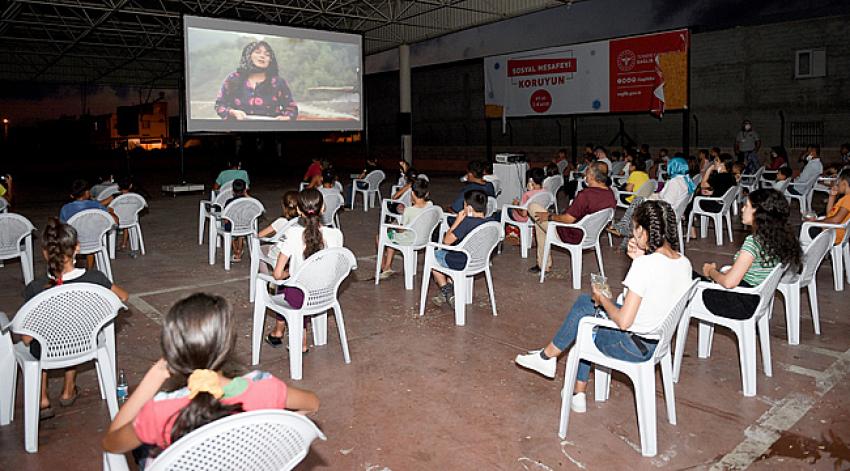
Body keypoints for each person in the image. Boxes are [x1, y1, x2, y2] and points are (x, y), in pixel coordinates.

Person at [514, 201, 692, 413]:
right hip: (656, 341)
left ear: (643, 232)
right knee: (586, 309)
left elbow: (624, 321)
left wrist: (602, 298)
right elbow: (653, 294)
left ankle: (550, 360)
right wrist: (638, 260)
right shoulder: (684, 262)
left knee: (585, 317)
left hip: (631, 345)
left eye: (634, 230)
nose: (632, 237)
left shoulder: (646, 266)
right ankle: (572, 387)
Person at [102, 293, 319, 464]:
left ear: (172, 348)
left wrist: (154, 377)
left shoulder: (159, 412)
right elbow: (312, 404)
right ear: (228, 345)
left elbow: (111, 443)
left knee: (143, 450)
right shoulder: (265, 388)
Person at [21, 219, 129, 420]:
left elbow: (27, 339)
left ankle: (42, 397)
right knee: (73, 330)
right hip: (83, 344)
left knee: (41, 340)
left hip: (47, 350)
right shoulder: (95, 278)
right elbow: (123, 296)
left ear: (45, 253)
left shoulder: (36, 288)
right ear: (77, 248)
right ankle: (68, 389)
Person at [698, 189, 801, 320]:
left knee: (688, 280)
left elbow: (729, 283)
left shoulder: (753, 242)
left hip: (741, 302)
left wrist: (711, 271)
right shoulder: (779, 238)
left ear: (758, 212)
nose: (742, 210)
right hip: (757, 297)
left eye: (746, 206)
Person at [265, 189, 344, 351]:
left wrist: (290, 273)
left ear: (299, 211)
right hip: (326, 293)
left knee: (280, 285)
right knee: (298, 283)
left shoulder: (293, 235)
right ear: (323, 208)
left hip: (300, 298)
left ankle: (287, 335)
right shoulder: (336, 235)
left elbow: (278, 274)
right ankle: (286, 334)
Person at [529, 162, 616, 274]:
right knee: (540, 222)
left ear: (592, 176)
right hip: (591, 234)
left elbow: (568, 219)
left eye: (587, 172)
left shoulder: (586, 195)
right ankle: (543, 264)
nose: (586, 176)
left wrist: (550, 216)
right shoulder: (610, 193)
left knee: (533, 208)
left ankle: (543, 265)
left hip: (572, 233)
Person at [431, 189, 492, 307]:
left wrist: (458, 221)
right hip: (479, 261)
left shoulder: (467, 222)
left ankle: (447, 291)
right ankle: (449, 289)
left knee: (434, 256)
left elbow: (446, 241)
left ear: (468, 208)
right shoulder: (491, 222)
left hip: (463, 261)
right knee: (450, 256)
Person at [214, 41, 298, 121]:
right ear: (248, 55)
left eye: (267, 54)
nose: (262, 56)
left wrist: (285, 118)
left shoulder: (278, 82)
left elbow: (292, 109)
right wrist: (232, 112)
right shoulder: (233, 78)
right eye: (257, 52)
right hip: (237, 131)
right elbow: (219, 105)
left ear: (270, 60)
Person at [377, 178, 434, 279]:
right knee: (392, 235)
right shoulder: (430, 205)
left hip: (410, 239)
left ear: (412, 194)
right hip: (424, 238)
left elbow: (402, 230)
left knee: (381, 236)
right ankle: (387, 267)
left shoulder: (409, 211)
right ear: (427, 193)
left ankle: (385, 268)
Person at [804, 172, 850, 245]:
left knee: (806, 228)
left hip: (833, 234)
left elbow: (836, 220)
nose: (837, 185)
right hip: (832, 230)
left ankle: (812, 254)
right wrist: (832, 197)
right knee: (809, 225)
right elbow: (830, 214)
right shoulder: (845, 198)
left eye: (839, 182)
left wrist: (816, 222)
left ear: (844, 183)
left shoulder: (848, 199)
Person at [256, 191, 300, 266]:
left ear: (284, 206)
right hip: (296, 252)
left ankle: (265, 275)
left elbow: (259, 235)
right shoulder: (302, 221)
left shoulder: (281, 221)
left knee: (258, 251)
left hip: (280, 252)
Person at [222, 179, 248, 263]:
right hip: (245, 226)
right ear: (245, 190)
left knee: (229, 230)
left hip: (232, 226)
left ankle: (235, 251)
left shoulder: (229, 202)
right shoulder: (248, 202)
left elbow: (226, 219)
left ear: (232, 190)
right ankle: (239, 251)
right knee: (241, 234)